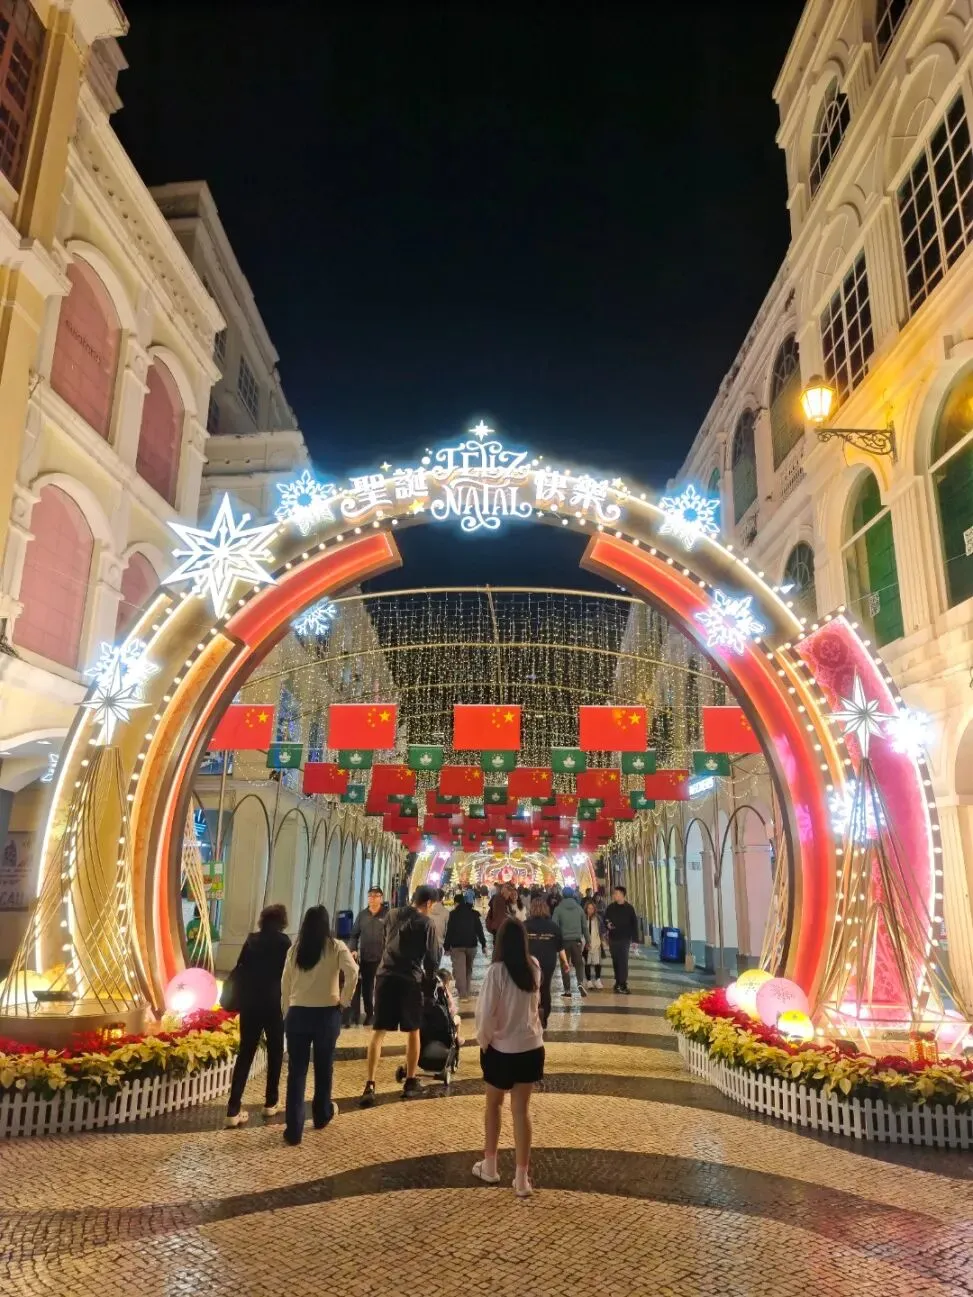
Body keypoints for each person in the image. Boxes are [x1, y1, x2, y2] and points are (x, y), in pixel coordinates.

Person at [473, 919, 544, 1197]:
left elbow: (486, 1013)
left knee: (493, 1105)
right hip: (530, 1048)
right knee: (521, 1111)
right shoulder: (534, 966)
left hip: (502, 1050)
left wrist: (483, 1042)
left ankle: (490, 1166)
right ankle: (522, 1180)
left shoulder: (496, 972)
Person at [280, 905, 358, 1145]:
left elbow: (285, 983)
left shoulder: (295, 949)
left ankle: (294, 1129)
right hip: (326, 1014)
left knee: (297, 1072)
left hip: (298, 1014)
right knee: (324, 1068)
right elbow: (353, 972)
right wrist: (344, 1001)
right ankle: (322, 1115)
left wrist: (287, 1012)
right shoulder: (335, 947)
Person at [360, 884, 441, 1106]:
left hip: (384, 976)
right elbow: (432, 959)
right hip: (409, 980)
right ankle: (410, 1081)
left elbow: (386, 941)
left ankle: (370, 1084)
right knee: (413, 1031)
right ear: (428, 903)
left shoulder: (392, 914)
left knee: (378, 1032)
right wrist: (430, 984)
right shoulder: (427, 923)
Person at [224, 903, 291, 1127]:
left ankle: (233, 1108)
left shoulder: (252, 940)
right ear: (282, 921)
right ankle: (271, 1102)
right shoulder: (284, 943)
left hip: (250, 1003)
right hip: (273, 1004)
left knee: (245, 1053)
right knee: (275, 1052)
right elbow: (288, 974)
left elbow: (240, 967)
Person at [524, 894, 568, 1029]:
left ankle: (530, 1016)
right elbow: (560, 947)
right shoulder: (553, 927)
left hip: (529, 961)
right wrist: (565, 962)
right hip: (548, 961)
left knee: (529, 989)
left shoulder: (524, 925)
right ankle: (544, 1017)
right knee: (545, 988)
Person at [347, 886, 387, 1026]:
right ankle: (370, 1014)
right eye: (370, 896)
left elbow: (393, 935)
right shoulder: (362, 915)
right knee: (367, 988)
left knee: (382, 988)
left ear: (381, 898)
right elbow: (354, 935)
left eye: (376, 896)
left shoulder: (387, 915)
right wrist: (353, 949)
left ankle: (382, 1014)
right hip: (366, 958)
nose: (372, 899)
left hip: (383, 959)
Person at [443, 889, 487, 998]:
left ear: (456, 903)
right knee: (468, 970)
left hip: (457, 946)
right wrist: (484, 944)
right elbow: (479, 930)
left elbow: (450, 931)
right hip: (472, 945)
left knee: (460, 971)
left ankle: (463, 995)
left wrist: (446, 947)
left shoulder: (453, 914)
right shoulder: (474, 914)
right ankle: (467, 991)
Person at [604, 885, 640, 994]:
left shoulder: (629, 908)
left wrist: (635, 940)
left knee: (623, 961)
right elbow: (605, 919)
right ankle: (618, 982)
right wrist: (607, 924)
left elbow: (634, 924)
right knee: (616, 961)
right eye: (614, 893)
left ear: (622, 895)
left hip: (625, 939)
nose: (614, 895)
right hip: (613, 938)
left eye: (617, 893)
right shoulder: (610, 907)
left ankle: (623, 984)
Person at [553, 886, 587, 998]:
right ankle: (580, 982)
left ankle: (567, 990)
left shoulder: (558, 909)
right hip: (576, 941)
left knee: (565, 965)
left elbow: (554, 926)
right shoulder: (579, 909)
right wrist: (588, 940)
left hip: (563, 942)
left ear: (562, 895)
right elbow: (584, 926)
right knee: (579, 964)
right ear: (573, 895)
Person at [583, 898, 608, 990]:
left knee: (598, 963)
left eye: (592, 908)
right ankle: (589, 981)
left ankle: (597, 979)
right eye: (588, 908)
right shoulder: (583, 918)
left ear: (594, 909)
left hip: (596, 943)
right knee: (587, 963)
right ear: (586, 909)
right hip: (586, 944)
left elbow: (602, 930)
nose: (590, 910)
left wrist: (603, 940)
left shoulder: (598, 918)